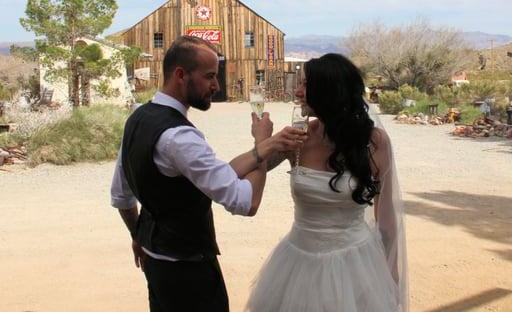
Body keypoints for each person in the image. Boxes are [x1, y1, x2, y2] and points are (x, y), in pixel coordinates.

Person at [110, 36, 306, 312]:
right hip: (189, 275)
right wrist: (262, 145)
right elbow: (246, 202)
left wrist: (139, 236)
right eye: (210, 76)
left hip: (157, 266)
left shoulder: (139, 117)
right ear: (181, 75)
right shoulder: (179, 137)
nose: (217, 85)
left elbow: (122, 196)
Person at [246, 53, 408, 312]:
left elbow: (386, 215)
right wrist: (262, 142)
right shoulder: (297, 137)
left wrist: (391, 272)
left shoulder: (375, 142)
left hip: (356, 264)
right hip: (298, 263)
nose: (297, 91)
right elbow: (248, 176)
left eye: (305, 85)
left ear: (330, 91)